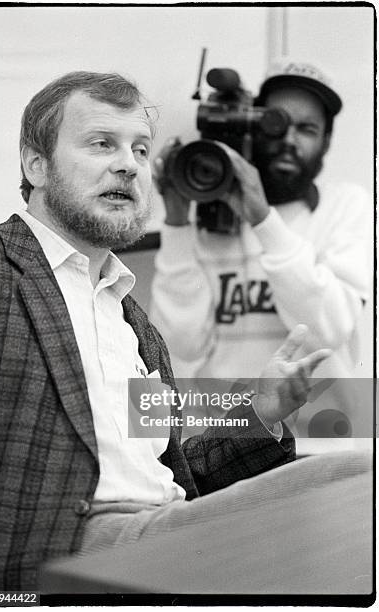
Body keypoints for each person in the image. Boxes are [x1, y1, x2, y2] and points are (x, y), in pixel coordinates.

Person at [0, 70, 364, 592]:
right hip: (69, 547)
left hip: (175, 527)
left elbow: (184, 472)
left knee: (360, 478)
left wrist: (261, 411)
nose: (127, 165)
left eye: (140, 150)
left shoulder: (134, 324)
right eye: (101, 144)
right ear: (36, 164)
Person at [150, 59, 371, 440]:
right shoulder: (210, 215)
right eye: (278, 123)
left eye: (307, 129)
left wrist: (262, 219)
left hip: (322, 447)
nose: (289, 139)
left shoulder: (346, 204)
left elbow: (329, 327)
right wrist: (176, 223)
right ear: (253, 124)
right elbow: (180, 346)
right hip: (227, 447)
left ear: (326, 142)